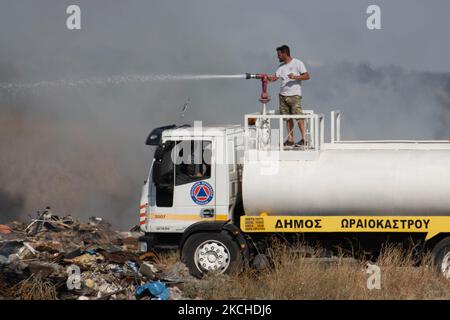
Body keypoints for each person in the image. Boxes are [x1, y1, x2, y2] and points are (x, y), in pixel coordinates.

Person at [268, 45, 310, 146]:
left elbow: (307, 76)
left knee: (298, 116)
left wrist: (295, 76)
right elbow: (275, 77)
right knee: (287, 117)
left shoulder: (297, 63)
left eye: (279, 55)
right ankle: (290, 139)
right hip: (282, 95)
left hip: (294, 95)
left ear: (284, 54)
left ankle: (304, 139)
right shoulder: (281, 67)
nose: (277, 57)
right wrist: (268, 78)